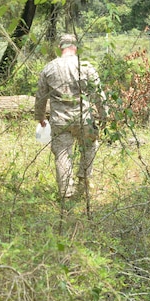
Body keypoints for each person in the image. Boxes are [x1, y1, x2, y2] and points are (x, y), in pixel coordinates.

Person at [34, 34, 107, 200]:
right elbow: (98, 94)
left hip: (59, 120)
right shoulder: (86, 67)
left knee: (62, 155)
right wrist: (104, 115)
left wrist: (40, 117)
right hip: (84, 118)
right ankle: (84, 180)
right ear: (75, 47)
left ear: (60, 48)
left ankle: (66, 194)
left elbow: (40, 97)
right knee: (89, 146)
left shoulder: (48, 68)